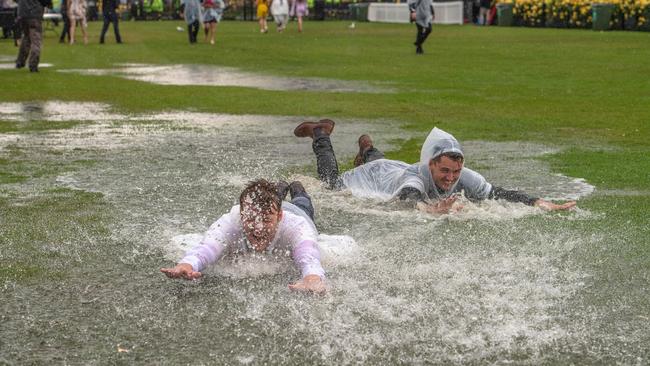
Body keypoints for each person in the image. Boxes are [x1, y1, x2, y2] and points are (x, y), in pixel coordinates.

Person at [293, 119, 577, 215]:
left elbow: (496, 193)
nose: (451, 179)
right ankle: (321, 134)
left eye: (455, 172)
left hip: (390, 166)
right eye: (445, 172)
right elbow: (407, 200)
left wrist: (539, 202)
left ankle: (368, 148)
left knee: (382, 161)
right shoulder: (415, 179)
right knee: (331, 182)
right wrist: (432, 209)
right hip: (376, 177)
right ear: (430, 165)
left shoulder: (462, 176)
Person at [161, 179, 327, 294]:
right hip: (272, 205)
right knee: (271, 199)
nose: (258, 228)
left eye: (266, 220)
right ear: (241, 214)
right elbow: (207, 247)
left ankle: (297, 189)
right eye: (250, 218)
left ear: (279, 217)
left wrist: (311, 278)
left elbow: (309, 257)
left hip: (299, 212)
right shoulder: (230, 222)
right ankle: (280, 188)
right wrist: (188, 265)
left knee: (302, 203)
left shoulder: (297, 226)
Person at [15, 0, 48, 72]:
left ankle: (20, 61)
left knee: (26, 37)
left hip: (22, 14)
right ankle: (33, 64)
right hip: (34, 14)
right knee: (36, 40)